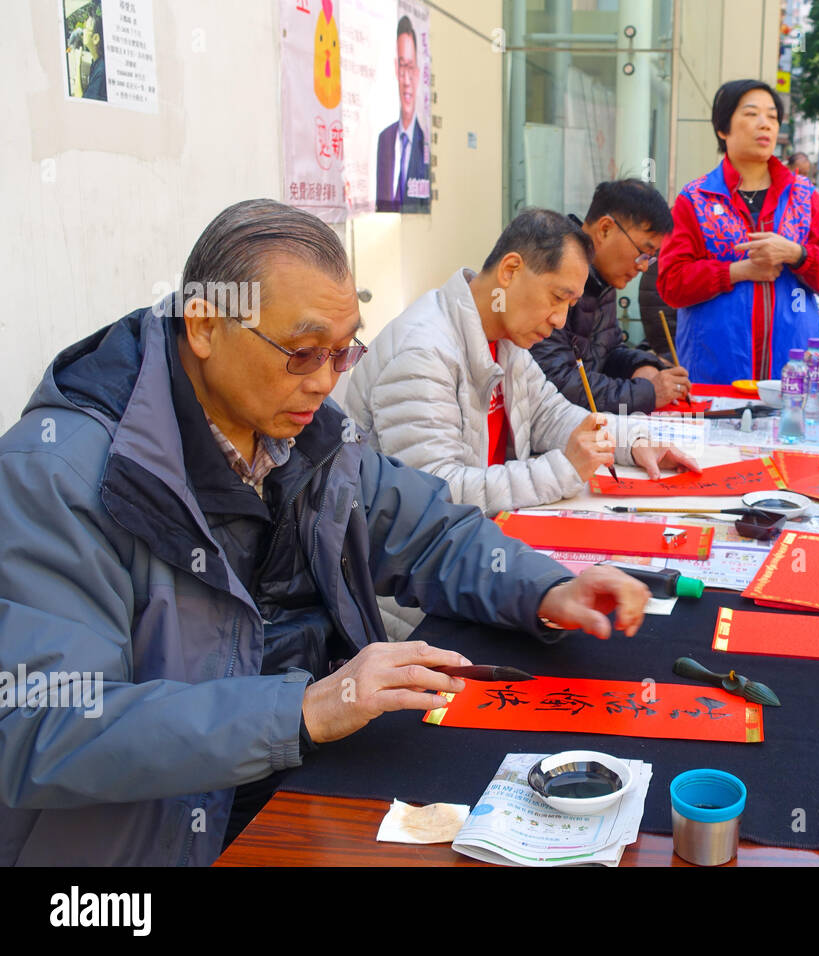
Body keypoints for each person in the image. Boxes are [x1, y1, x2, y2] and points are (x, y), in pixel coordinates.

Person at [0, 200, 652, 866]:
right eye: (302, 352)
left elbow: (424, 530)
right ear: (203, 325)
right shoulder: (61, 474)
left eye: (342, 353)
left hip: (306, 773)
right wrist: (303, 710)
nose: (323, 382)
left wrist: (546, 589)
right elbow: (44, 727)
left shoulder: (305, 429)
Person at [345, 208, 699, 636]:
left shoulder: (502, 338)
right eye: (557, 297)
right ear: (511, 270)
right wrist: (563, 470)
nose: (560, 321)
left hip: (484, 555)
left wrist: (635, 438)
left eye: (570, 304)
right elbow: (432, 500)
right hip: (418, 598)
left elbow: (553, 414)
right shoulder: (422, 353)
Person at [657, 79, 819, 383]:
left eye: (772, 116)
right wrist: (736, 271)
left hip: (791, 376)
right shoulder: (695, 199)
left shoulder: (805, 197)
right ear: (723, 129)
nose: (765, 124)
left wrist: (796, 253)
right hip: (714, 375)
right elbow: (671, 284)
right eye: (751, 114)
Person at [529, 180, 690, 413]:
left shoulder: (602, 279)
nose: (644, 267)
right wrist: (646, 393)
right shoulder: (553, 271)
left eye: (651, 258)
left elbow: (607, 353)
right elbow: (554, 383)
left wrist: (642, 366)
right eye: (643, 253)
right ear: (605, 229)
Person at [375, 16, 430, 213]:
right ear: (395, 69)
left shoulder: (423, 141)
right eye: (401, 66)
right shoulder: (385, 139)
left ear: (417, 72)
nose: (406, 80)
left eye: (410, 67)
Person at [81, 12, 106, 101]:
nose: (83, 31)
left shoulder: (101, 71)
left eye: (86, 29)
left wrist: (77, 65)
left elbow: (82, 103)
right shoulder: (96, 62)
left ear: (95, 38)